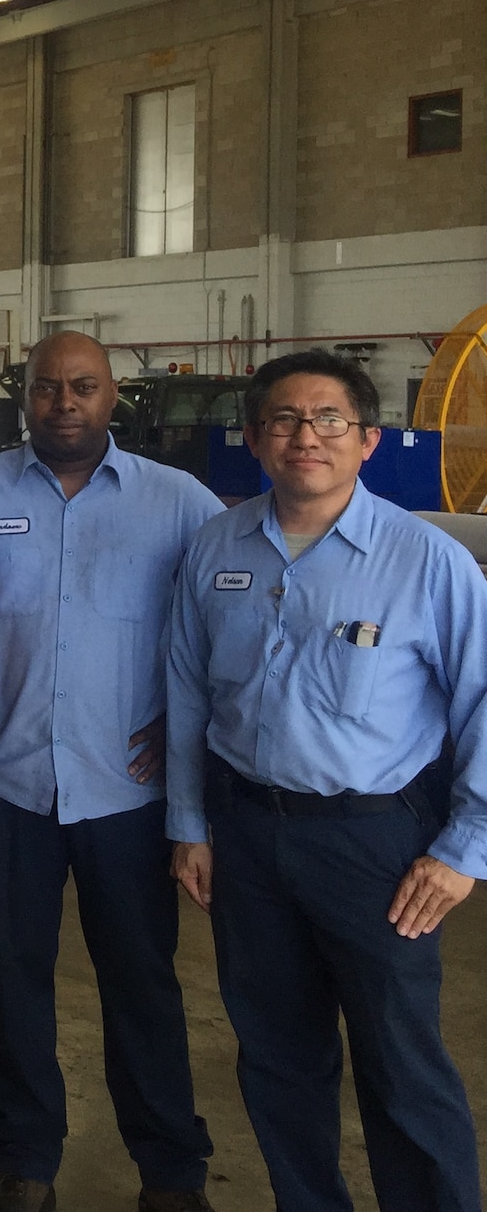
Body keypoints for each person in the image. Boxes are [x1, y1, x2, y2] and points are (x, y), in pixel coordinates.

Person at [168, 350, 485, 1212]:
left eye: (329, 419)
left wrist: (466, 848)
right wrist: (190, 823)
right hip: (247, 836)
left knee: (401, 1060)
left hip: (375, 846)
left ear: (369, 440)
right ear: (259, 437)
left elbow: (485, 701)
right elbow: (188, 687)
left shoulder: (428, 561)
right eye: (284, 419)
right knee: (277, 1055)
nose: (306, 436)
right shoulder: (216, 545)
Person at [0, 332, 222, 1212]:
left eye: (84, 387)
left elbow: (222, 631)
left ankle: (170, 1172)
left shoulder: (179, 502)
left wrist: (187, 725)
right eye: (46, 388)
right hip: (8, 784)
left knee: (141, 982)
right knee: (12, 973)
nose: (64, 402)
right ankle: (25, 1156)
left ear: (115, 397)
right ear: (22, 396)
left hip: (126, 792)